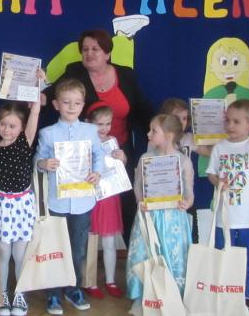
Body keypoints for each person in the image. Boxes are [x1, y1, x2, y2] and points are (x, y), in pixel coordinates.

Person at [43, 29, 153, 242]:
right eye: (85, 49)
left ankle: (134, 255)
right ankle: (80, 256)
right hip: (85, 154)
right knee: (85, 208)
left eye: (95, 49)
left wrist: (160, 130)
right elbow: (54, 94)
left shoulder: (126, 74)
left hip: (118, 149)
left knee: (127, 203)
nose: (89, 53)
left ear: (108, 53)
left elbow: (142, 108)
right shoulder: (75, 71)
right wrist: (37, 97)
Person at [36, 78, 105, 315]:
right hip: (57, 202)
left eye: (77, 102)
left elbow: (99, 155)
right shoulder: (47, 133)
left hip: (83, 201)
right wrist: (44, 163)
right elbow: (37, 160)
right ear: (56, 104)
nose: (72, 106)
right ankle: (53, 292)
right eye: (66, 102)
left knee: (78, 250)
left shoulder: (91, 131)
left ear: (83, 105)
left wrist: (97, 171)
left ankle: (72, 288)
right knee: (55, 248)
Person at [206, 99, 249, 316]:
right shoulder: (219, 147)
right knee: (223, 257)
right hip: (224, 217)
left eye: (236, 122)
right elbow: (211, 173)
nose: (230, 125)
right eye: (228, 120)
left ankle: (246, 297)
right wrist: (218, 182)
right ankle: (224, 294)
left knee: (248, 259)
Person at [0, 83, 43, 316]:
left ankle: (20, 294)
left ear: (22, 127)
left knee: (19, 255)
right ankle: (2, 295)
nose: (7, 129)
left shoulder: (24, 143)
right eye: (3, 124)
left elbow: (35, 112)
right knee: (3, 254)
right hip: (1, 206)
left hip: (22, 206)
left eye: (12, 125)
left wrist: (37, 84)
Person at [126, 114, 193, 303]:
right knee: (147, 252)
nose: (148, 134)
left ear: (169, 136)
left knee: (171, 253)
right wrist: (140, 201)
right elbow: (138, 185)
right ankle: (145, 292)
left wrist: (187, 202)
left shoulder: (183, 161)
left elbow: (189, 190)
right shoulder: (145, 158)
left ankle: (172, 292)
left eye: (153, 131)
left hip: (173, 219)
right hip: (149, 216)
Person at [83, 103, 127, 299]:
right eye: (99, 124)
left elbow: (119, 167)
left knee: (109, 242)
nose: (104, 128)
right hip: (90, 196)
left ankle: (110, 280)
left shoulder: (113, 141)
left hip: (109, 196)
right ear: (88, 123)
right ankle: (90, 281)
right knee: (90, 242)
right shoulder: (85, 142)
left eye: (108, 124)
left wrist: (123, 158)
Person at [158, 97, 205, 243]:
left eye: (184, 118)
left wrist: (216, 133)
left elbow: (210, 151)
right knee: (167, 237)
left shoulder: (189, 138)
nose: (181, 122)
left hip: (186, 196)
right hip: (165, 197)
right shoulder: (157, 140)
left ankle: (192, 256)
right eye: (176, 118)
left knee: (192, 236)